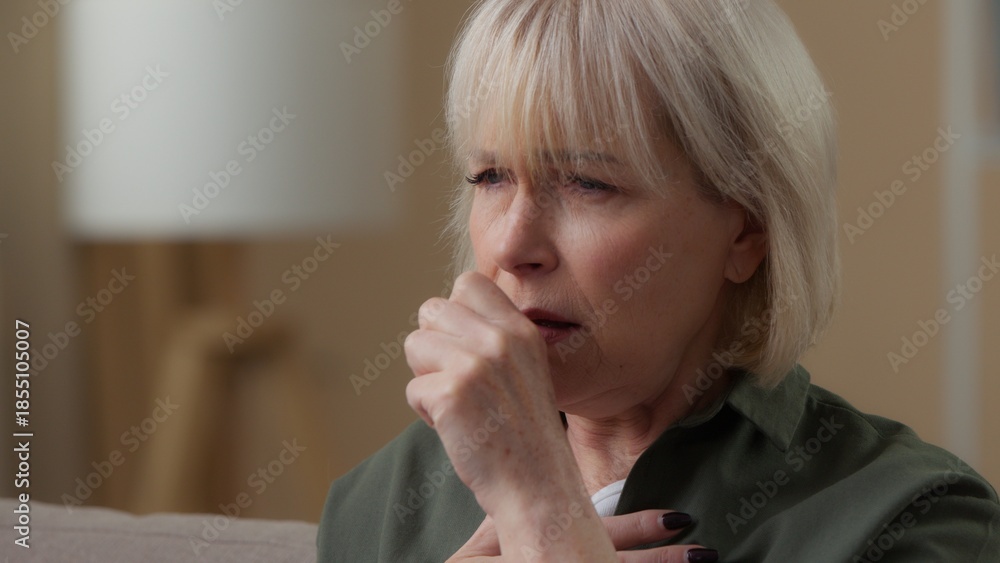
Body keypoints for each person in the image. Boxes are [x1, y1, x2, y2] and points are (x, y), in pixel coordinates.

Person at [317, 0, 1000, 560]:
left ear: (746, 231)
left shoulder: (916, 519)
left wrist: (543, 516)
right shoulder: (377, 504)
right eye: (491, 176)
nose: (510, 244)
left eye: (587, 182)